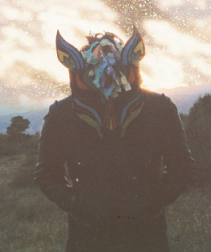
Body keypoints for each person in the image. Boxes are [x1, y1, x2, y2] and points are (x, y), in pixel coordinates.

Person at [34, 26, 194, 252]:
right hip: (87, 237)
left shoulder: (159, 107)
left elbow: (182, 166)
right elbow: (47, 175)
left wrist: (151, 203)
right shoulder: (61, 114)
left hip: (146, 235)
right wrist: (80, 206)